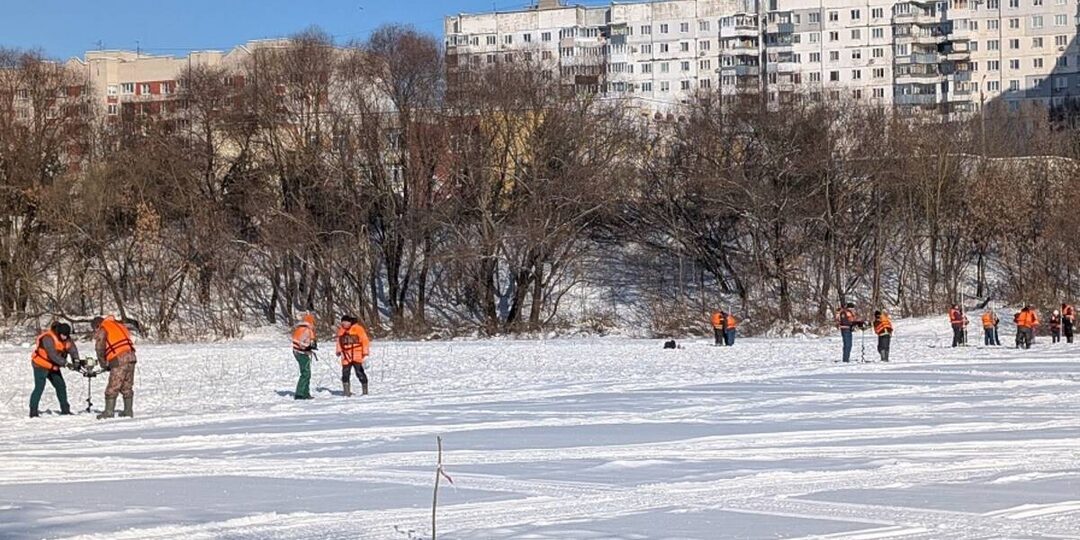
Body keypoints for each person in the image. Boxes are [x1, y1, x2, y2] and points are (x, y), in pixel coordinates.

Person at [29, 322, 79, 418]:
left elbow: (73, 350)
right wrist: (66, 364)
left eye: (67, 335)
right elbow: (53, 355)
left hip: (53, 367)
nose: (65, 337)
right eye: (63, 335)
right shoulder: (48, 338)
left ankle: (65, 409)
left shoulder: (67, 339)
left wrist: (76, 361)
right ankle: (33, 411)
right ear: (59, 333)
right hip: (40, 365)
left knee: (61, 386)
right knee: (39, 387)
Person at [91, 315, 137, 419]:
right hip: (131, 357)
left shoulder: (103, 329)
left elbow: (100, 348)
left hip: (119, 359)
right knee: (127, 385)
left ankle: (109, 412)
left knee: (113, 386)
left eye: (94, 329)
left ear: (97, 326)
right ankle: (128, 411)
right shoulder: (118, 325)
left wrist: (103, 363)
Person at [336, 315, 371, 397]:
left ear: (350, 322)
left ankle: (365, 391)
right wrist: (338, 351)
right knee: (345, 373)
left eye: (345, 322)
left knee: (359, 373)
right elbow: (338, 342)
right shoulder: (341, 330)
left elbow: (365, 341)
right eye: (342, 322)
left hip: (357, 354)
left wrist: (365, 354)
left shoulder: (358, 329)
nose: (344, 324)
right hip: (345, 355)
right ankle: (346, 392)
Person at [291, 313, 317, 400]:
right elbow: (301, 343)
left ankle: (305, 393)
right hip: (301, 353)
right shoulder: (306, 330)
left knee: (306, 373)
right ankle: (300, 394)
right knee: (306, 373)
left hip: (298, 352)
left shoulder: (299, 329)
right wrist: (308, 347)